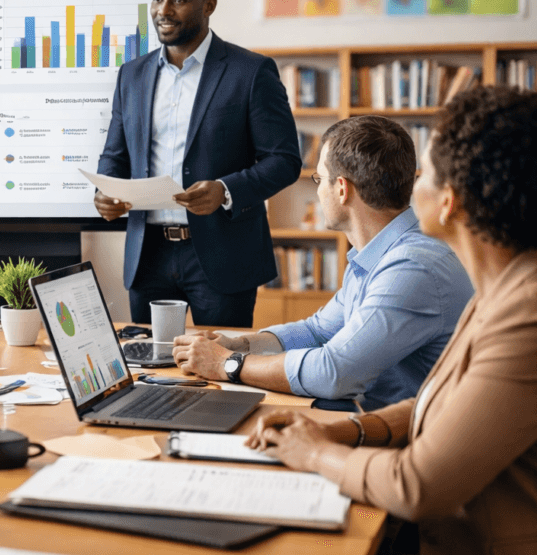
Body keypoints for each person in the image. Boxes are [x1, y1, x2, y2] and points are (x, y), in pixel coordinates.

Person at [246, 86, 537, 555]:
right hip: (460, 546)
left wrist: (316, 452)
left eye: (424, 172)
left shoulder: (524, 311)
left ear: (451, 202)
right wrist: (354, 429)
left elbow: (417, 485)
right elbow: (440, 401)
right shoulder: (505, 287)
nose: (408, 185)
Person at [172, 116, 473, 410]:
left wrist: (226, 363)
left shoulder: (411, 267)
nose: (318, 190)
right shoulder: (378, 254)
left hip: (406, 439)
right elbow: (318, 331)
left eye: (320, 179)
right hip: (376, 420)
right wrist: (240, 345)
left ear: (342, 189)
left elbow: (334, 373)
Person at [94, 0, 302, 326]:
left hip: (224, 254)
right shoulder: (132, 75)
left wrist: (225, 190)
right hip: (148, 255)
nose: (163, 10)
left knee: (220, 370)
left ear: (209, 5)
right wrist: (106, 193)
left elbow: (284, 161)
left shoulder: (251, 72)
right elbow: (115, 154)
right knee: (150, 367)